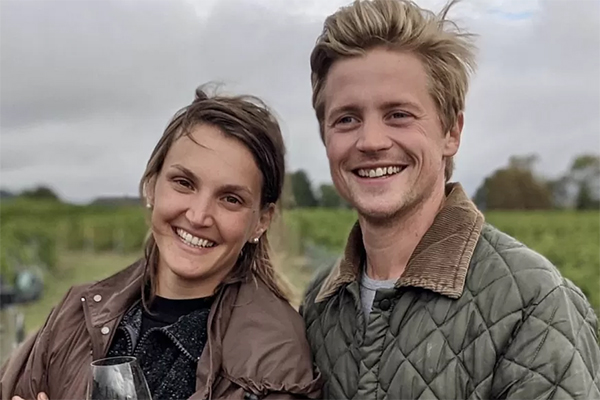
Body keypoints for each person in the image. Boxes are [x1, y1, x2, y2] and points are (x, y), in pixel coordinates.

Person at [299, 0, 600, 399]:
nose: (370, 141)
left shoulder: (533, 304)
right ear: (326, 138)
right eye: (346, 119)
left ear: (451, 132)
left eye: (398, 114)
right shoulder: (319, 305)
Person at [2, 86, 322, 400]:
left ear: (262, 220)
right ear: (152, 186)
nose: (198, 216)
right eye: (184, 183)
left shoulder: (275, 361)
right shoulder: (76, 312)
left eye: (230, 199)